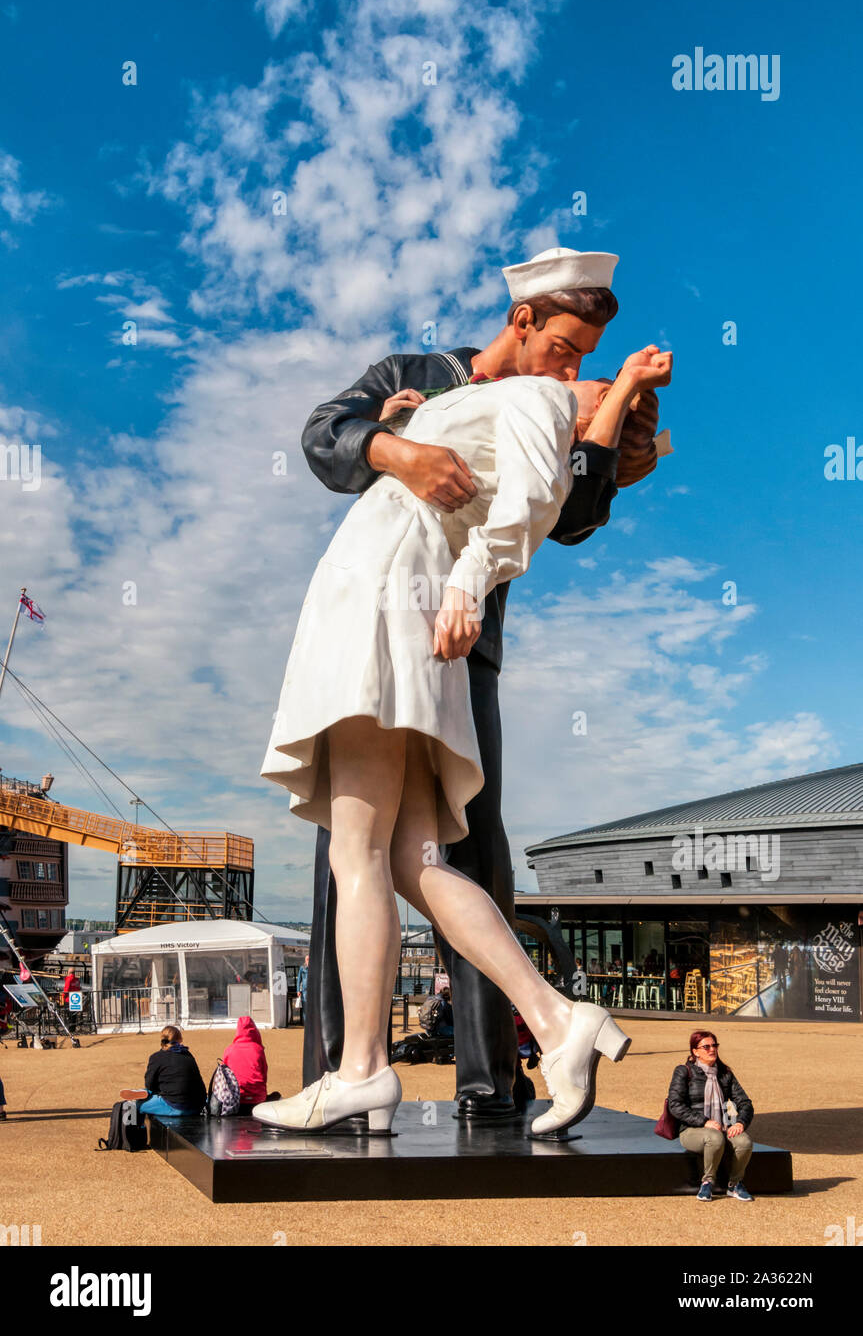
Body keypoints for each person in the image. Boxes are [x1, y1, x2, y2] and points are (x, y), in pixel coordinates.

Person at [254, 337, 671, 1136]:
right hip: (424, 622)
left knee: (377, 851)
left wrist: (614, 426)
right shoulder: (432, 378)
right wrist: (396, 442)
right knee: (404, 860)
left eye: (581, 367)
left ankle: (396, 1074)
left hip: (409, 619)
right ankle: (545, 1022)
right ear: (527, 323)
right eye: (568, 356)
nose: (570, 373)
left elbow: (558, 509)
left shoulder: (538, 403)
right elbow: (326, 437)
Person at [668, 1030, 755, 1202]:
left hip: (723, 1126)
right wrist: (704, 1121)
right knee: (714, 1138)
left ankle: (735, 1184)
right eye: (706, 1047)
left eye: (714, 1045)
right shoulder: (683, 1071)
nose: (712, 1049)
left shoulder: (725, 1074)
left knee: (744, 1142)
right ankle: (707, 1183)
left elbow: (745, 1103)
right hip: (691, 1130)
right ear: (695, 1051)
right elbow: (675, 1105)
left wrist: (740, 1123)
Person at [120, 1025, 206, 1117]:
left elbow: (149, 1084)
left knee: (132, 1105)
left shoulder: (156, 1057)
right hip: (197, 1106)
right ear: (180, 1039)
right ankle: (145, 1092)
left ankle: (140, 1123)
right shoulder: (188, 1054)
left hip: (176, 1107)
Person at [222, 1015, 280, 1114]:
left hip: (236, 1099)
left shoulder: (229, 1050)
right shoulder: (258, 1049)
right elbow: (264, 1075)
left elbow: (224, 1076)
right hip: (257, 1099)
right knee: (276, 1095)